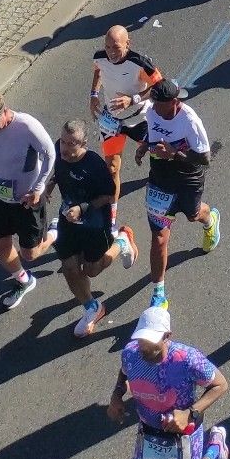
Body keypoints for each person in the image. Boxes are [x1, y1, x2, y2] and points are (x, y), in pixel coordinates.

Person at [107, 305, 230, 459]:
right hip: (149, 435)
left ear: (167, 337)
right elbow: (124, 373)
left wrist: (189, 413)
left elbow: (221, 385)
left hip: (183, 437)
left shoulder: (187, 359)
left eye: (151, 343)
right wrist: (116, 395)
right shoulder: (131, 353)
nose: (145, 348)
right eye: (142, 341)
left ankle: (215, 450)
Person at [135, 78, 220, 304]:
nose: (153, 106)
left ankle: (210, 219)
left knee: (193, 215)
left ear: (173, 102)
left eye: (158, 103)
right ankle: (158, 293)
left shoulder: (189, 121)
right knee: (159, 238)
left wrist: (174, 153)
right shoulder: (153, 112)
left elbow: (204, 159)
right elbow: (152, 130)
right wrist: (144, 146)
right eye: (152, 101)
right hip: (160, 178)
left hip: (187, 177)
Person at [0, 92, 57, 310]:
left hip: (27, 199)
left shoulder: (26, 126)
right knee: (1, 247)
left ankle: (56, 231)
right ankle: (24, 281)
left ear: (5, 112)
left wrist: (38, 188)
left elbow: (49, 154)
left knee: (31, 254)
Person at [54, 118, 137, 337]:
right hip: (67, 220)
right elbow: (56, 171)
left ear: (83, 145)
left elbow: (110, 195)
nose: (64, 148)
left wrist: (82, 208)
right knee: (69, 267)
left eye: (71, 144)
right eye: (63, 141)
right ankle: (92, 307)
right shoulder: (58, 150)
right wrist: (46, 189)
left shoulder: (94, 165)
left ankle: (122, 241)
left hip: (94, 223)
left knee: (91, 269)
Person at [91, 23, 163, 209]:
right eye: (107, 47)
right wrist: (93, 95)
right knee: (111, 168)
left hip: (139, 119)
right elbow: (99, 70)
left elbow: (160, 86)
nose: (111, 52)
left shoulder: (139, 63)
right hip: (112, 120)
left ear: (127, 44)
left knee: (159, 156)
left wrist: (132, 99)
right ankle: (112, 217)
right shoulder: (100, 57)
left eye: (116, 47)